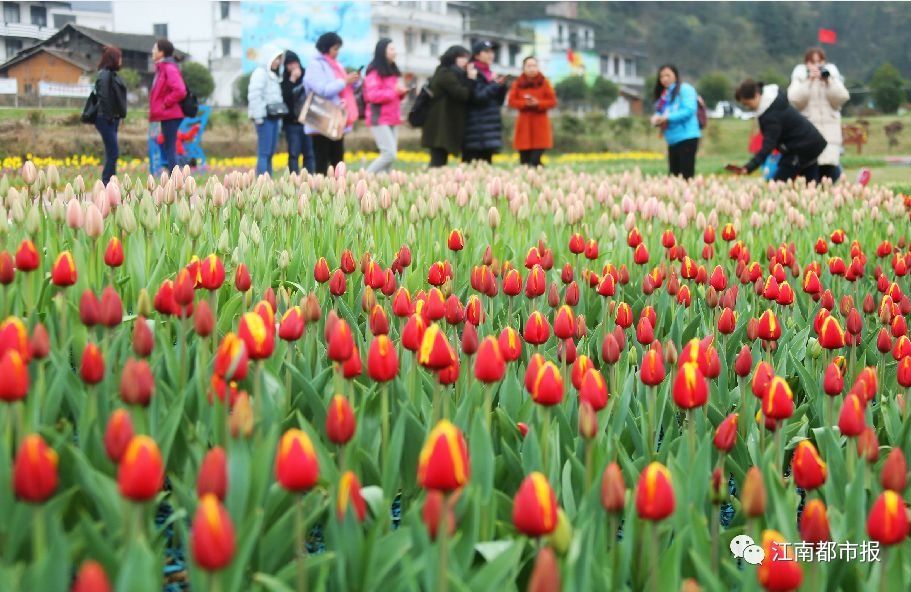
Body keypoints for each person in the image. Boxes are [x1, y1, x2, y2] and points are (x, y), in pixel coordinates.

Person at [730, 79, 827, 182]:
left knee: (778, 184)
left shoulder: (771, 115)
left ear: (757, 95)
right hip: (810, 144)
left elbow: (768, 145)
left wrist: (750, 166)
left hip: (801, 148)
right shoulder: (773, 101)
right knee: (811, 184)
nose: (748, 107)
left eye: (747, 103)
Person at [787, 47, 850, 182]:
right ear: (806, 63)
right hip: (810, 135)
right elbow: (795, 100)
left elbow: (842, 98)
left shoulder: (832, 77)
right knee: (811, 174)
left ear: (824, 62)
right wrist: (809, 81)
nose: (816, 65)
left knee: (829, 171)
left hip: (830, 135)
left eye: (819, 61)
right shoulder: (800, 78)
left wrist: (828, 82)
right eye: (812, 62)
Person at [304, 32, 360, 174]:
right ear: (325, 48)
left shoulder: (337, 65)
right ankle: (319, 193)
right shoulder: (315, 65)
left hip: (336, 117)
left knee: (338, 160)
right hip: (321, 117)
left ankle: (338, 193)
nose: (337, 52)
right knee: (321, 161)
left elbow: (342, 88)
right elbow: (323, 90)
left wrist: (353, 81)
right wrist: (344, 81)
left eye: (338, 49)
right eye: (335, 49)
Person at [421, 45, 477, 167]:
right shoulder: (445, 74)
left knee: (440, 160)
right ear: (453, 58)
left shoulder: (452, 74)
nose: (466, 61)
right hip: (439, 125)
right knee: (438, 160)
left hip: (444, 124)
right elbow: (462, 94)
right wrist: (471, 79)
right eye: (462, 57)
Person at [364, 38, 408, 174]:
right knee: (389, 154)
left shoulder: (393, 71)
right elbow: (372, 96)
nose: (395, 52)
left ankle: (385, 189)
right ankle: (363, 179)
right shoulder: (374, 72)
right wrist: (394, 91)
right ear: (382, 51)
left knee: (390, 158)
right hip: (379, 117)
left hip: (392, 117)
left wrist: (401, 93)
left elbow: (394, 95)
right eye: (391, 49)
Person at [650, 64, 701, 179]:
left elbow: (689, 110)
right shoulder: (665, 95)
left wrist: (667, 118)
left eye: (668, 75)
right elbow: (661, 112)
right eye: (662, 76)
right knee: (674, 175)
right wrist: (656, 118)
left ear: (676, 75)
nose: (664, 79)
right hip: (672, 139)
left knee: (686, 176)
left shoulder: (685, 89)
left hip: (687, 137)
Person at [462, 40, 507, 163]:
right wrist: (494, 84)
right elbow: (478, 97)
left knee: (486, 167)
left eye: (492, 51)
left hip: (490, 127)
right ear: (476, 55)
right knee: (471, 167)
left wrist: (502, 86)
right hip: (475, 129)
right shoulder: (471, 72)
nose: (491, 54)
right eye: (486, 51)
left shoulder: (490, 73)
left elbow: (498, 101)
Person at [507, 56, 557, 167]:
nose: (532, 69)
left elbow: (552, 101)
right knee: (524, 161)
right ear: (523, 68)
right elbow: (511, 101)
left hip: (540, 125)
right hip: (524, 124)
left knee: (535, 160)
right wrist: (525, 103)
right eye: (529, 66)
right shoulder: (518, 83)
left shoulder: (544, 83)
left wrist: (538, 103)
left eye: (534, 66)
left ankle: (538, 178)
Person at [149, 39, 187, 173]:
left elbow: (180, 90)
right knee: (168, 147)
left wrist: (165, 104)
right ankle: (173, 179)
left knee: (170, 148)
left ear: (161, 52)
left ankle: (174, 181)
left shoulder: (168, 67)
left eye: (155, 49)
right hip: (166, 114)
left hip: (170, 114)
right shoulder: (161, 67)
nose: (152, 51)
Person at [248, 45, 284, 176]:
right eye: (275, 59)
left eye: (280, 59)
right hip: (264, 118)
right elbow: (254, 95)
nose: (278, 62)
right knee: (264, 152)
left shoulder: (273, 75)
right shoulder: (260, 73)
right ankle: (262, 183)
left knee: (270, 152)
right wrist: (258, 117)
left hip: (274, 118)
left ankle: (268, 182)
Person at [94, 45, 127, 185]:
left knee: (111, 152)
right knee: (113, 152)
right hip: (105, 119)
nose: (121, 60)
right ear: (114, 58)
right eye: (119, 57)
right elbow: (104, 97)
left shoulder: (110, 74)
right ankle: (107, 182)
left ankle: (110, 181)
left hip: (111, 119)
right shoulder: (105, 74)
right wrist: (110, 116)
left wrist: (118, 116)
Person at [280, 50, 315, 174]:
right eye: (289, 64)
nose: (293, 66)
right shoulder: (285, 80)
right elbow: (285, 99)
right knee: (293, 154)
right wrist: (292, 80)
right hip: (292, 124)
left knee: (309, 154)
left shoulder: (307, 76)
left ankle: (310, 180)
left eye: (295, 63)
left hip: (308, 122)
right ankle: (294, 181)